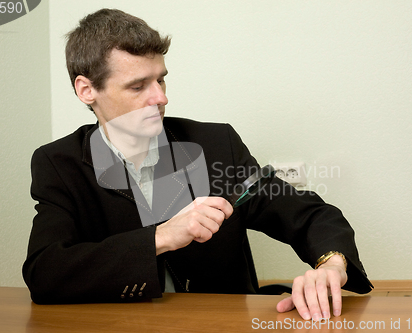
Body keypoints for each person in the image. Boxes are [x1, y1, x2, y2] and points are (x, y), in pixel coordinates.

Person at [22, 8, 373, 321]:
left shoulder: (217, 144)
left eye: (160, 79)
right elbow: (46, 272)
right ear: (86, 90)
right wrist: (161, 237)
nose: (161, 97)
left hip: (221, 324)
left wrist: (333, 264)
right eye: (138, 86)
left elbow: (309, 214)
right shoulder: (58, 163)